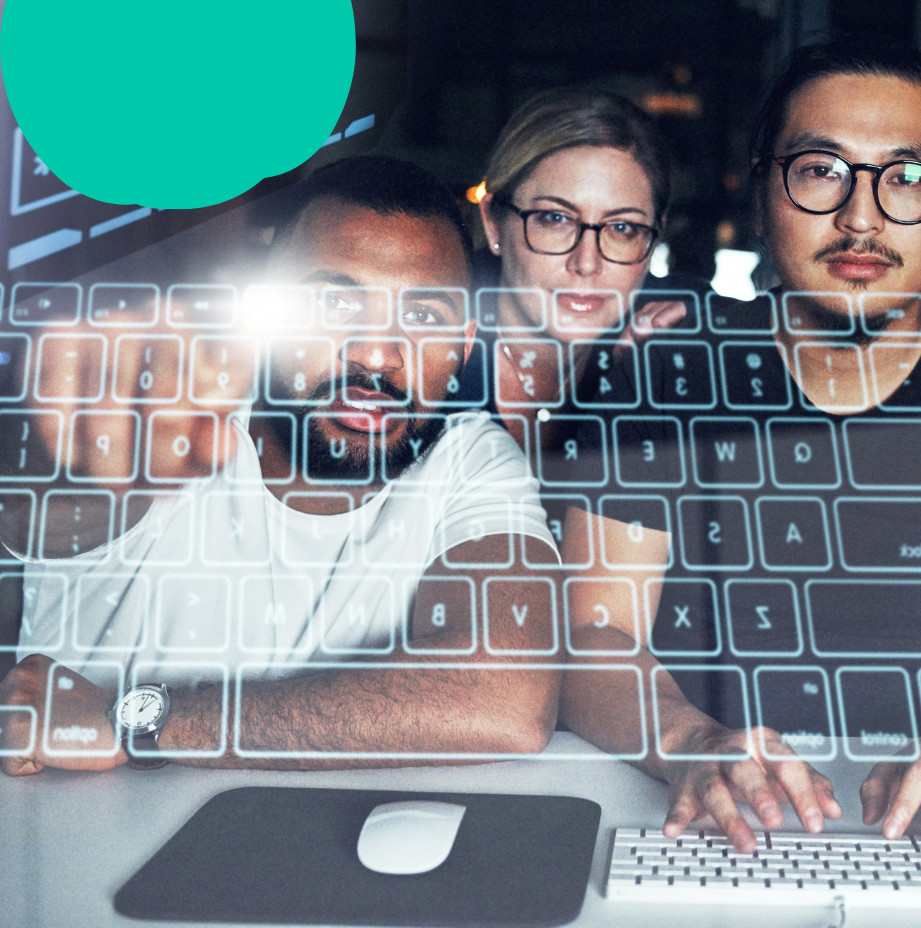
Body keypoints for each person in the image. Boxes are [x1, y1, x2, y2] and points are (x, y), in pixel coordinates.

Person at [557, 35, 921, 856]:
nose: (861, 217)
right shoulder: (661, 377)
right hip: (713, 811)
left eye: (908, 178)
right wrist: (690, 744)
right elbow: (595, 632)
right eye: (820, 170)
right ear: (760, 193)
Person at [0, 154, 562, 775]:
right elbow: (59, 475)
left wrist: (135, 718)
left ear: (463, 341)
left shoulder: (470, 456)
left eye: (425, 316)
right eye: (334, 304)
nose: (378, 353)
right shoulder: (173, 414)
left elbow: (507, 698)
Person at [462, 88, 707, 466]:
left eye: (622, 228)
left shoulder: (683, 323)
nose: (587, 262)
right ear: (493, 221)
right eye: (555, 219)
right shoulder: (426, 340)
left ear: (654, 235)